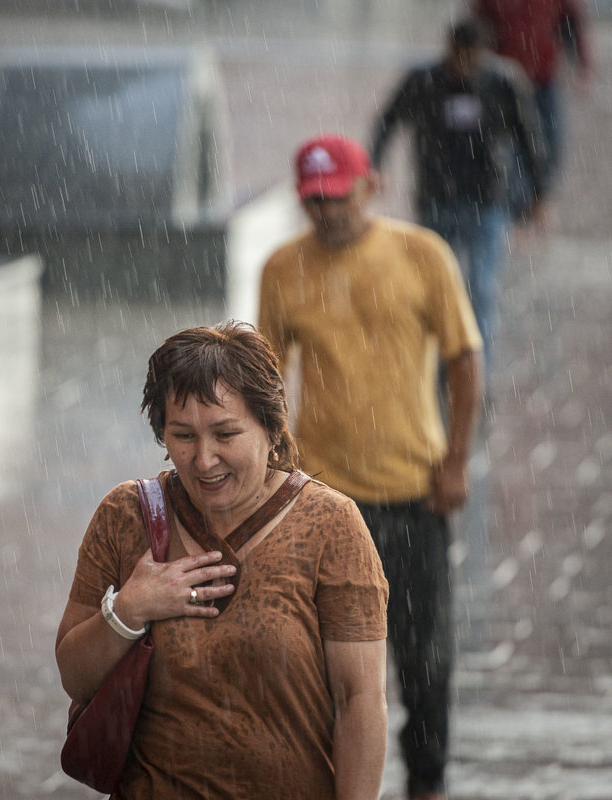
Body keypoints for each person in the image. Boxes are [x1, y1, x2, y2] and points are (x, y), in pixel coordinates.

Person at [56, 321, 390, 799]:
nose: (204, 459)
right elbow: (75, 677)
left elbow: (360, 701)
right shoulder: (125, 515)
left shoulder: (330, 525)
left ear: (272, 430)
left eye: (225, 433)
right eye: (183, 435)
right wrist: (129, 611)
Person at [258, 135, 483, 800]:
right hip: (325, 501)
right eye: (313, 201)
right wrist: (274, 480)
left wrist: (457, 462)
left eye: (338, 196)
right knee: (328, 662)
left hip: (412, 491)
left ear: (372, 186)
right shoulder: (281, 269)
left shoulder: (422, 255)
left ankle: (427, 779)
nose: (327, 212)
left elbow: (465, 360)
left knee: (424, 658)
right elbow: (266, 382)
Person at [370, 19, 545, 371]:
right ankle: (434, 370)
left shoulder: (503, 83)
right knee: (433, 289)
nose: (463, 65)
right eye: (457, 56)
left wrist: (538, 194)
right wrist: (375, 165)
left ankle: (477, 371)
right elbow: (388, 120)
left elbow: (529, 138)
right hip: (437, 198)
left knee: (481, 288)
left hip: (488, 200)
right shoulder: (424, 80)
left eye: (470, 57)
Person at [473, 0, 593, 192]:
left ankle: (539, 197)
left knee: (550, 142)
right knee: (503, 144)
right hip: (505, 82)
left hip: (543, 77)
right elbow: (478, 25)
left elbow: (572, 22)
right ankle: (510, 200)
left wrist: (582, 65)